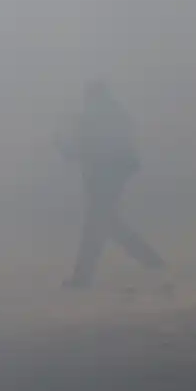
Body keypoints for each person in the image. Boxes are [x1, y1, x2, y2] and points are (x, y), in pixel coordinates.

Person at [58, 79, 165, 289]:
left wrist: (63, 147)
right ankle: (152, 261)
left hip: (101, 179)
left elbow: (84, 149)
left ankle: (82, 278)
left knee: (96, 226)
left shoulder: (94, 119)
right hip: (110, 178)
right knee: (108, 224)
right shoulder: (115, 115)